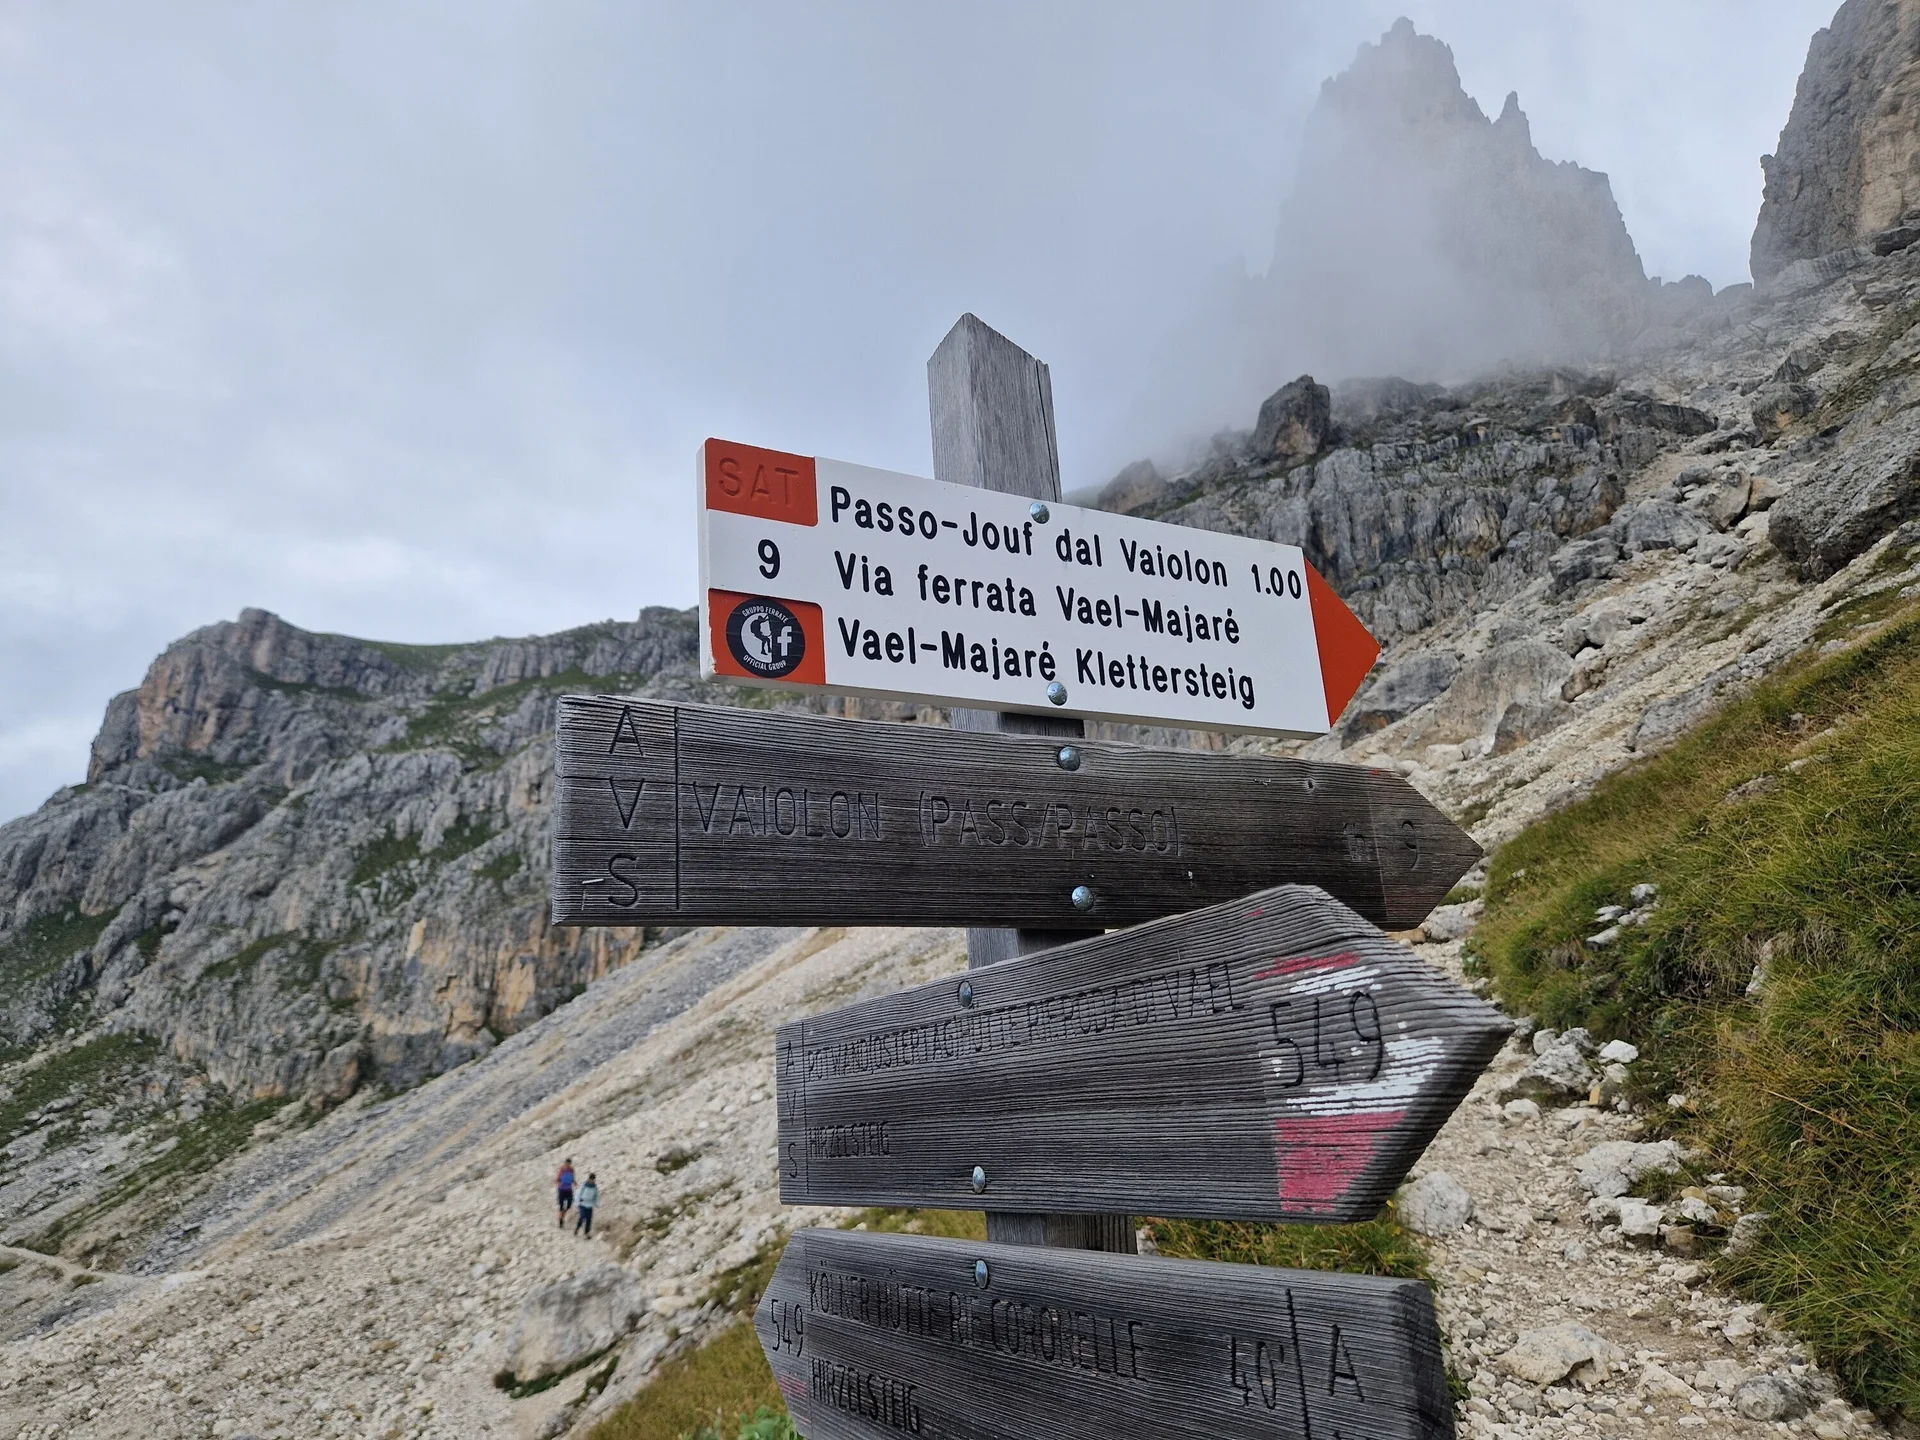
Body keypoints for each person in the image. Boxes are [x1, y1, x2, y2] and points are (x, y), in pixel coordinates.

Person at [574, 1173, 599, 1238]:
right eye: (591, 1179)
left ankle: (586, 1232)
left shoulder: (595, 1187)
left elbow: (596, 1196)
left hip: (590, 1205)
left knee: (589, 1219)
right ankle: (577, 1228)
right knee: (582, 1217)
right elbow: (578, 1193)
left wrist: (597, 1203)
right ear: (589, 1178)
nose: (592, 1180)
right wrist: (577, 1202)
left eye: (593, 1179)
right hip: (583, 1204)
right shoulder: (584, 1185)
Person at [556, 1158, 576, 1228]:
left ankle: (562, 1216)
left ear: (570, 1164)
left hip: (569, 1190)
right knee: (561, 1206)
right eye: (566, 1164)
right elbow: (557, 1179)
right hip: (562, 1190)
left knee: (569, 1205)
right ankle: (561, 1221)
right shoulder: (562, 1169)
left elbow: (572, 1178)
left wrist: (574, 1182)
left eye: (568, 1164)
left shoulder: (571, 1170)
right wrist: (559, 1184)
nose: (567, 1165)